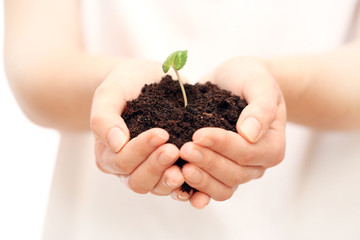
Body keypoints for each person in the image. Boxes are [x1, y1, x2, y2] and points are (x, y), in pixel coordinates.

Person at [4, 0, 360, 239]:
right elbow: (37, 65)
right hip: (109, 222)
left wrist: (276, 89)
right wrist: (110, 90)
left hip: (315, 214)